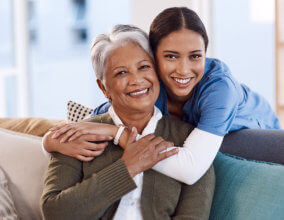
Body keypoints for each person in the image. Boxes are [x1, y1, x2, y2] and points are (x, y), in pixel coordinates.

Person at [46, 7, 281, 178]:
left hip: (251, 135)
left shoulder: (219, 88)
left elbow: (190, 169)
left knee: (215, 157)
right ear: (153, 58)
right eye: (170, 56)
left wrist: (117, 134)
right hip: (198, 140)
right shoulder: (148, 86)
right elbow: (92, 121)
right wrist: (49, 142)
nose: (183, 69)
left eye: (195, 56)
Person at [41, 24, 215, 220]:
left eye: (144, 67)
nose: (137, 80)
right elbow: (54, 213)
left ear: (157, 72)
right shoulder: (78, 135)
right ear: (103, 87)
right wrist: (127, 168)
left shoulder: (190, 142)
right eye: (121, 73)